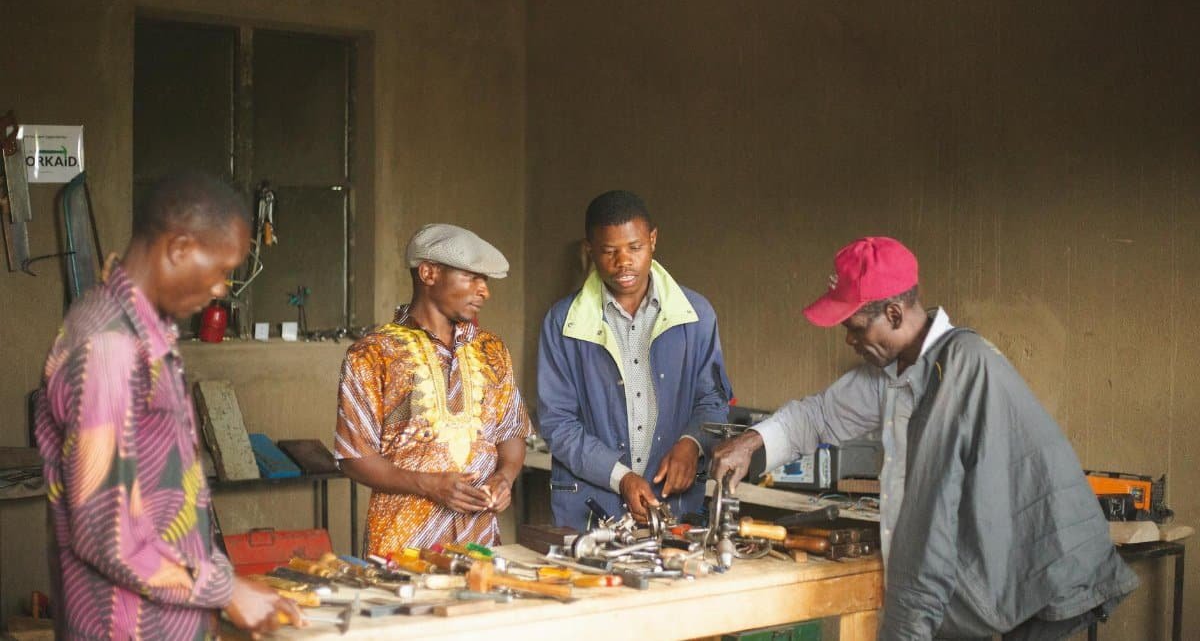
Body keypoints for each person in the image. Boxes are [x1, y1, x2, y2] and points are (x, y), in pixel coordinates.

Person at [711, 236, 1137, 640]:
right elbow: (818, 416)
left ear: (894, 315)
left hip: (1047, 573)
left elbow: (929, 528)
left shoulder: (957, 369)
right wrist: (751, 443)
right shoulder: (894, 371)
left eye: (856, 327)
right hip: (998, 576)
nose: (849, 339)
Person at [35, 172, 302, 639]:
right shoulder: (109, 346)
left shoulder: (144, 335)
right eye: (222, 270)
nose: (222, 289)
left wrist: (216, 600)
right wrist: (225, 591)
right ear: (179, 249)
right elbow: (106, 532)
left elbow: (169, 504)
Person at [537, 190, 733, 529]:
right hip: (589, 509)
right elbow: (558, 424)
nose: (623, 262)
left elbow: (713, 400)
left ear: (653, 240)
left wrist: (692, 444)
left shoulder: (695, 315)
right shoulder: (563, 322)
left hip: (674, 506)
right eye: (609, 251)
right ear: (590, 250)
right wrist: (621, 478)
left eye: (635, 248)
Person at [335, 223, 531, 556]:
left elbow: (511, 432)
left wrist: (505, 477)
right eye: (472, 278)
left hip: (479, 540)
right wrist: (429, 485)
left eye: (485, 281)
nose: (484, 291)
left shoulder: (492, 350)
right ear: (428, 273)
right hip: (401, 547)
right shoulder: (373, 353)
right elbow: (352, 457)